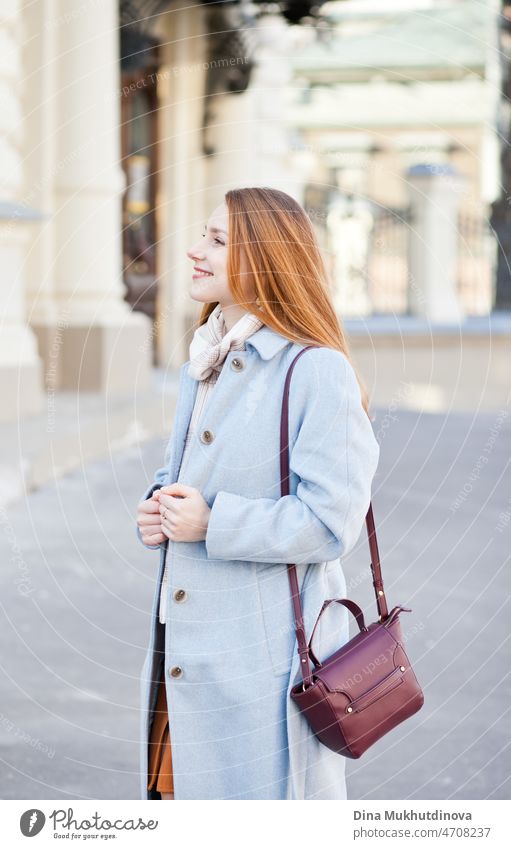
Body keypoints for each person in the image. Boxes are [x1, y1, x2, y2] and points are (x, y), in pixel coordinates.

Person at [136, 186, 380, 800]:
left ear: (266, 257)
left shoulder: (315, 369)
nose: (194, 251)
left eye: (217, 241)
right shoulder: (209, 355)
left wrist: (211, 523)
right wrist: (160, 509)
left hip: (264, 663)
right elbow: (188, 477)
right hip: (183, 653)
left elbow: (331, 523)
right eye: (203, 235)